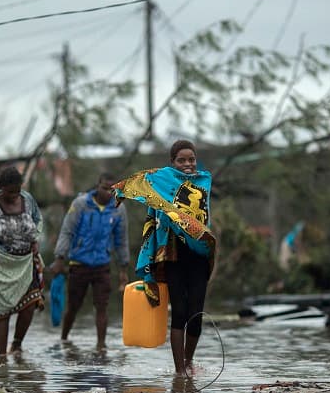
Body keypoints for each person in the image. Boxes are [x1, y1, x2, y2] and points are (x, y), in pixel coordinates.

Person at [114, 140, 215, 377]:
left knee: (196, 315)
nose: (188, 164)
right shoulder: (161, 183)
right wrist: (122, 190)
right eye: (182, 160)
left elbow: (203, 216)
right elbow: (142, 188)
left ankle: (189, 362)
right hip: (172, 254)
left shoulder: (203, 181)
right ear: (172, 163)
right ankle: (180, 371)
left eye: (191, 159)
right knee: (179, 312)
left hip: (198, 254)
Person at [0, 166, 45, 360]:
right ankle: (1, 358)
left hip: (25, 262)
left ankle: (17, 345)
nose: (14, 196)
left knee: (30, 304)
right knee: (2, 312)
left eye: (17, 191)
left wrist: (35, 241)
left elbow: (37, 221)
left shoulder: (28, 200)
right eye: (10, 191)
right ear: (1, 187)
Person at [50, 173, 129, 349]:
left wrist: (123, 269)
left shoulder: (118, 209)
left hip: (102, 265)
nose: (108, 193)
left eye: (113, 190)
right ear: (97, 186)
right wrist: (59, 258)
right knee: (73, 306)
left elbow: (121, 240)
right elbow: (67, 231)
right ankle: (64, 338)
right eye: (104, 188)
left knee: (102, 307)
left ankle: (101, 346)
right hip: (79, 264)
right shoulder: (81, 204)